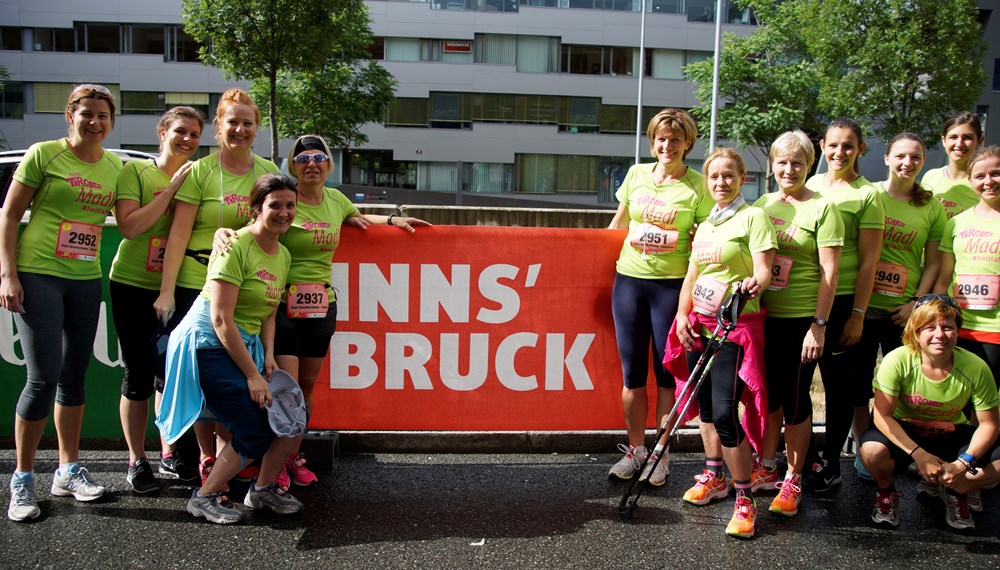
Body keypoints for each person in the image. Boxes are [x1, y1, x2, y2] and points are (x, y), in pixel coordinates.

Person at [215, 134, 429, 487]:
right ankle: (274, 462)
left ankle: (292, 454)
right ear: (293, 167)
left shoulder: (336, 200)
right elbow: (253, 228)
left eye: (318, 157)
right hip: (281, 303)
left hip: (321, 304)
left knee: (308, 385)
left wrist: (393, 220)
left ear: (329, 164)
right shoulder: (285, 201)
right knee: (286, 387)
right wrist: (223, 232)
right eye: (302, 159)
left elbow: (358, 218)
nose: (311, 164)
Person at [1, 84, 121, 521]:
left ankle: (67, 469)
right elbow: (10, 214)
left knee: (74, 375)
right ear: (70, 115)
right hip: (38, 275)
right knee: (42, 377)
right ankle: (23, 478)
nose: (95, 122)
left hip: (85, 278)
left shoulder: (115, 166)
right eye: (86, 114)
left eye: (103, 116)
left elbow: (129, 216)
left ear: (111, 121)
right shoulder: (43, 153)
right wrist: (8, 274)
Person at [158, 173, 304, 524]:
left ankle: (263, 489)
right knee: (255, 426)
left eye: (290, 206)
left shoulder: (282, 254)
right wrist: (253, 376)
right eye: (275, 205)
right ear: (256, 209)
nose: (284, 212)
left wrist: (268, 356)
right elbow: (221, 319)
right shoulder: (234, 245)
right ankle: (204, 497)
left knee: (293, 419)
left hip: (245, 345)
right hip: (207, 344)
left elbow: (268, 311)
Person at [152, 88, 279, 485]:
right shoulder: (201, 171)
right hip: (197, 284)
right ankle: (207, 457)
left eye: (247, 123)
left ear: (257, 129)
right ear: (218, 127)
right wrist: (168, 290)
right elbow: (178, 234)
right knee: (199, 376)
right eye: (232, 122)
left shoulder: (266, 169)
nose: (239, 129)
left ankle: (228, 455)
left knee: (232, 379)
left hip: (247, 287)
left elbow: (284, 221)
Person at [667, 147, 776, 539]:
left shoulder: (753, 217)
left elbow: (764, 270)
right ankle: (714, 476)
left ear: (742, 178)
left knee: (728, 414)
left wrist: (754, 284)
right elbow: (692, 276)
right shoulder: (708, 223)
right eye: (714, 176)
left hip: (734, 327)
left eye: (729, 176)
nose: (721, 183)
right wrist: (681, 316)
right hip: (699, 324)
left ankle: (745, 500)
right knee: (708, 410)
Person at [606, 109, 711, 485]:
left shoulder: (699, 185)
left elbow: (705, 237)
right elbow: (619, 223)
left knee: (667, 374)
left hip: (671, 286)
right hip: (629, 281)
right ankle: (636, 451)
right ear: (652, 142)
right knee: (632, 373)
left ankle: (661, 454)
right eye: (661, 139)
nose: (668, 145)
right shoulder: (636, 174)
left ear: (688, 144)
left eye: (676, 139)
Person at [109, 106, 206, 493]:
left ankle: (170, 453)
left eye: (195, 134)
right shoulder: (136, 171)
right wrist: (169, 192)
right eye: (180, 131)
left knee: (172, 373)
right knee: (138, 376)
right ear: (162, 132)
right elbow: (130, 227)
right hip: (133, 284)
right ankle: (136, 459)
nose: (187, 140)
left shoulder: (198, 175)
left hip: (179, 286)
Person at [754, 130, 843, 516]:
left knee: (795, 398)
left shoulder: (824, 208)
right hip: (764, 317)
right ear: (772, 166)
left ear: (810, 165)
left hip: (802, 318)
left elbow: (830, 272)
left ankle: (793, 477)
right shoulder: (763, 203)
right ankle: (769, 465)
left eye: (798, 163)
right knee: (769, 396)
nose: (789, 169)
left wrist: (818, 325)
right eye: (782, 162)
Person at [860, 294, 999, 531]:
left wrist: (963, 463)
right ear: (915, 332)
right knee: (871, 451)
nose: (940, 335)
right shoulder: (897, 360)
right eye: (930, 327)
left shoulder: (976, 366)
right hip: (908, 434)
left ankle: (957, 489)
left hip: (952, 432)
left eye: (947, 327)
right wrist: (919, 455)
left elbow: (989, 425)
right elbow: (881, 416)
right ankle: (886, 492)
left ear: (957, 330)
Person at [803, 118, 885, 492]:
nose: (839, 153)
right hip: (806, 298)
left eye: (848, 146)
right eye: (833, 145)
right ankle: (801, 459)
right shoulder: (810, 185)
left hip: (844, 302)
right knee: (800, 384)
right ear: (822, 146)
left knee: (837, 388)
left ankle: (832, 462)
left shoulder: (868, 195)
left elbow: (870, 262)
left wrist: (857, 315)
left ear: (861, 150)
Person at [936, 145, 1000, 385]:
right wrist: (940, 322)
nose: (989, 181)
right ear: (971, 180)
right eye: (980, 176)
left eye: (996, 173)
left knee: (989, 397)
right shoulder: (956, 223)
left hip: (996, 329)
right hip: (958, 326)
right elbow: (943, 278)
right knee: (960, 397)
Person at [922, 112, 985, 220]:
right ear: (944, 140)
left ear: (979, 141)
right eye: (953, 137)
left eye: (967, 137)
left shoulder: (985, 184)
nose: (959, 144)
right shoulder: (930, 176)